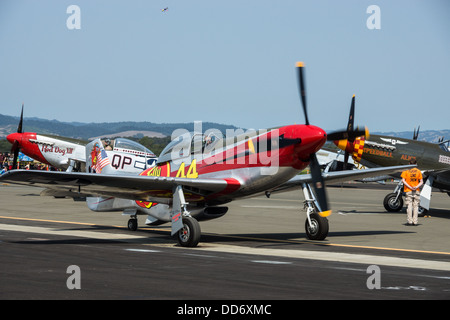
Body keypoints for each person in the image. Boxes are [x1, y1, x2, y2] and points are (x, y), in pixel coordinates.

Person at [401, 159, 423, 226]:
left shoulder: (406, 171)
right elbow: (421, 182)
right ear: (416, 163)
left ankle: (409, 221)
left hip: (408, 190)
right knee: (416, 206)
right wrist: (416, 187)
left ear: (409, 163)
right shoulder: (418, 171)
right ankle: (415, 222)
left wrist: (410, 187)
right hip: (416, 190)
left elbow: (403, 180)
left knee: (409, 206)